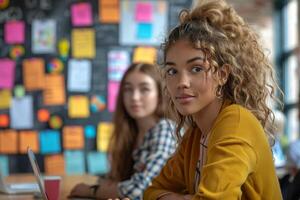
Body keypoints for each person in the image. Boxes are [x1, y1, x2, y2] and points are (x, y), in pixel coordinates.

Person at [144, 0, 283, 199]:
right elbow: (151, 191)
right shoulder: (195, 135)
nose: (181, 82)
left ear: (223, 74)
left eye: (197, 69)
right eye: (172, 71)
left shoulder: (236, 123)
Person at [69, 63, 176, 199]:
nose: (135, 97)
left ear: (160, 95)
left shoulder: (165, 130)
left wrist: (93, 191)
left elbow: (141, 189)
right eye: (128, 89)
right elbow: (118, 179)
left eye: (144, 89)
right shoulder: (130, 132)